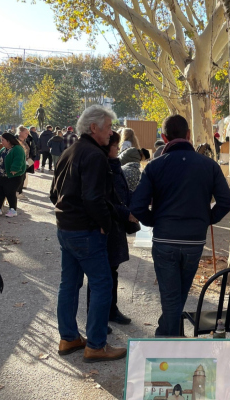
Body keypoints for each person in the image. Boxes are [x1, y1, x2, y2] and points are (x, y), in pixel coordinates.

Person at [130, 115, 230, 337]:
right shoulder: (209, 165)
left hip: (165, 239)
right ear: (188, 135)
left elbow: (137, 206)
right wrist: (206, 219)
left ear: (164, 137)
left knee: (171, 296)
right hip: (193, 241)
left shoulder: (155, 166)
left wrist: (153, 220)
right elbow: (227, 201)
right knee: (179, 293)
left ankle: (167, 339)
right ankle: (171, 334)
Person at [49, 105, 127, 363]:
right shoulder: (94, 155)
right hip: (85, 230)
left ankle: (69, 338)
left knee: (68, 284)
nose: (111, 132)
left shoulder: (70, 151)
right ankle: (95, 345)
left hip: (66, 229)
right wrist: (104, 222)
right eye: (108, 127)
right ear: (94, 128)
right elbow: (94, 198)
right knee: (102, 284)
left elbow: (54, 194)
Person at [86, 131, 136, 330]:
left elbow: (122, 194)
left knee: (112, 271)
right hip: (104, 227)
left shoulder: (116, 166)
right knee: (99, 276)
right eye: (116, 146)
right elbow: (105, 201)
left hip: (115, 228)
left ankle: (111, 310)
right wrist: (127, 213)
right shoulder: (102, 167)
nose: (118, 149)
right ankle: (96, 316)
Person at [0, 132, 26, 217]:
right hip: (1, 175)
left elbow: (19, 160)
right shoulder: (3, 149)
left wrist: (15, 169)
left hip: (13, 176)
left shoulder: (17, 148)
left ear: (9, 141)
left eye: (3, 140)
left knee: (10, 192)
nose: (1, 142)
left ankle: (13, 209)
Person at [14, 125, 32, 197]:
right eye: (26, 133)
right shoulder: (16, 141)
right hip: (18, 162)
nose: (27, 135)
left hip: (25, 162)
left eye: (28, 133)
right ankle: (16, 193)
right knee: (18, 178)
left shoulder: (25, 141)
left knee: (22, 178)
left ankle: (19, 192)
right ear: (20, 133)